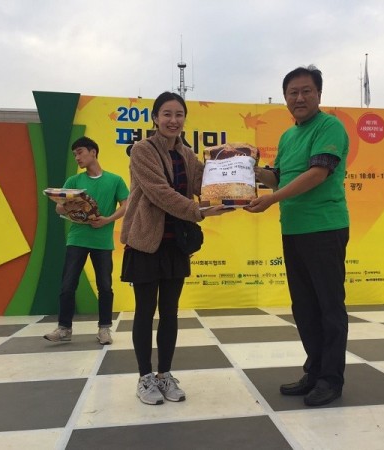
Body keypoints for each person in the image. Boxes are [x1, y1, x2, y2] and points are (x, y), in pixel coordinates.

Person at [246, 65, 350, 407]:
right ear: (285, 98)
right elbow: (277, 176)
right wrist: (244, 170)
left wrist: (272, 199)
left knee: (329, 306)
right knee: (304, 306)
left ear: (319, 94)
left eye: (306, 91)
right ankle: (314, 371)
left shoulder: (329, 126)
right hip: (293, 229)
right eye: (293, 92)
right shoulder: (288, 136)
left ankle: (331, 379)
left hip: (325, 228)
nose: (300, 98)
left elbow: (318, 173)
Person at [120, 92, 231, 405]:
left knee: (170, 311)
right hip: (146, 241)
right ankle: (145, 377)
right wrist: (199, 211)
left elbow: (204, 184)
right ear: (155, 118)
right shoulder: (142, 150)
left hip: (176, 244)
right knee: (145, 311)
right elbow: (159, 192)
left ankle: (164, 375)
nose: (173, 120)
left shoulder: (187, 154)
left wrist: (236, 184)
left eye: (179, 114)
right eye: (166, 114)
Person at [44, 136, 129, 345]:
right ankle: (64, 328)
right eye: (74, 154)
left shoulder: (115, 180)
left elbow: (126, 205)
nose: (77, 157)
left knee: (105, 286)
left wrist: (108, 219)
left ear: (93, 152)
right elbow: (59, 208)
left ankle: (104, 329)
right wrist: (68, 207)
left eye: (80, 152)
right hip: (77, 238)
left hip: (102, 240)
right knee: (68, 284)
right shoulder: (74, 181)